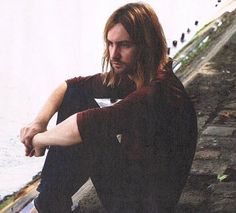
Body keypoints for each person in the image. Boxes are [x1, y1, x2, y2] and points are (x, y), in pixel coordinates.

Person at [20, 2, 197, 213]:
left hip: (144, 205)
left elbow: (84, 125)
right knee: (77, 96)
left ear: (145, 45)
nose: (114, 54)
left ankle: (45, 207)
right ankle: (48, 205)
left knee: (90, 128)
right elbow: (70, 86)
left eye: (124, 45)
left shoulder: (156, 93)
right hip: (136, 185)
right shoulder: (141, 75)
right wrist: (38, 123)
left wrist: (37, 140)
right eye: (110, 44)